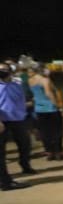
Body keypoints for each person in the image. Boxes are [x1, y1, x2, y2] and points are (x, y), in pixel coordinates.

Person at [1, 62, 35, 190]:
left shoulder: (16, 85)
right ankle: (5, 181)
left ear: (10, 71)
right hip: (3, 121)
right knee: (2, 152)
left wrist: (23, 112)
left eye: (4, 69)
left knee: (25, 144)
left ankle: (25, 165)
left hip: (18, 119)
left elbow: (21, 100)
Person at [28, 66, 63, 161]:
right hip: (50, 108)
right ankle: (58, 152)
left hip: (39, 109)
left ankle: (49, 152)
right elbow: (49, 93)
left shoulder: (31, 80)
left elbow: (34, 94)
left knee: (45, 132)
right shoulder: (45, 80)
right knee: (57, 131)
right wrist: (58, 106)